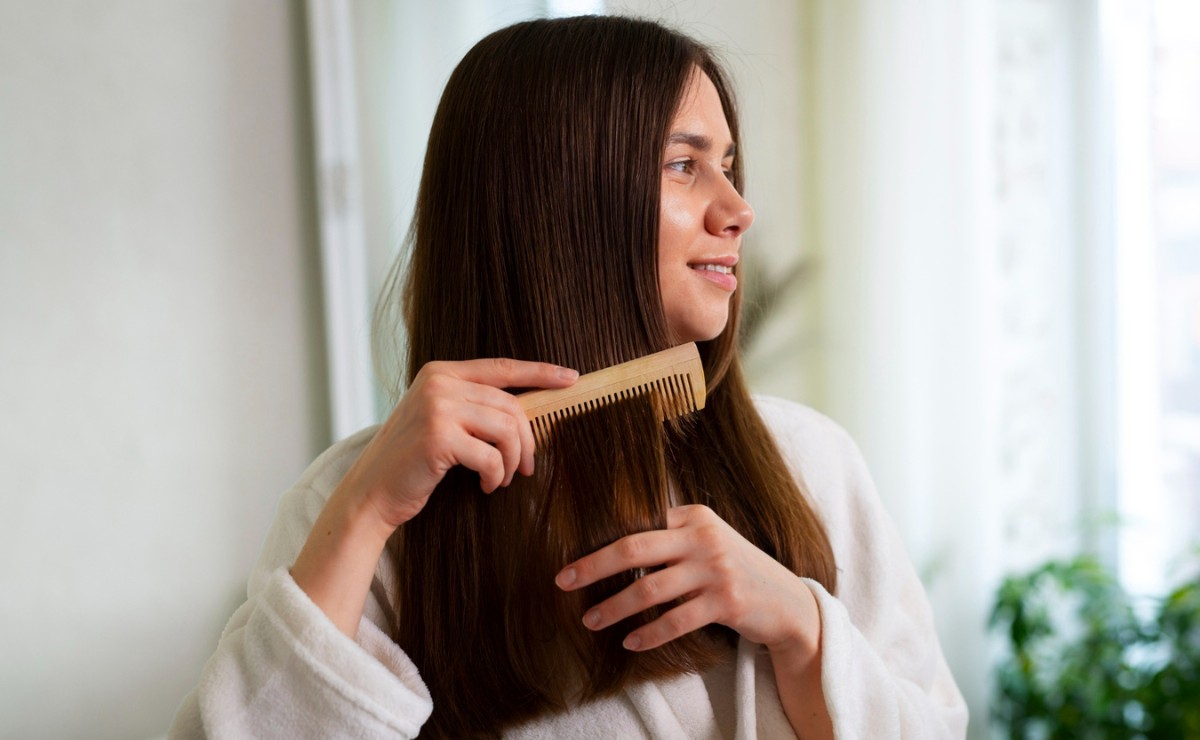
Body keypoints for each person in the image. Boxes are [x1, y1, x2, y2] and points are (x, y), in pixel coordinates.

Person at [171, 14, 967, 739]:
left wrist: (800, 626)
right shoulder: (360, 507)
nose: (737, 207)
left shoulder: (810, 464)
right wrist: (367, 509)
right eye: (685, 166)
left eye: (728, 164)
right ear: (560, 201)